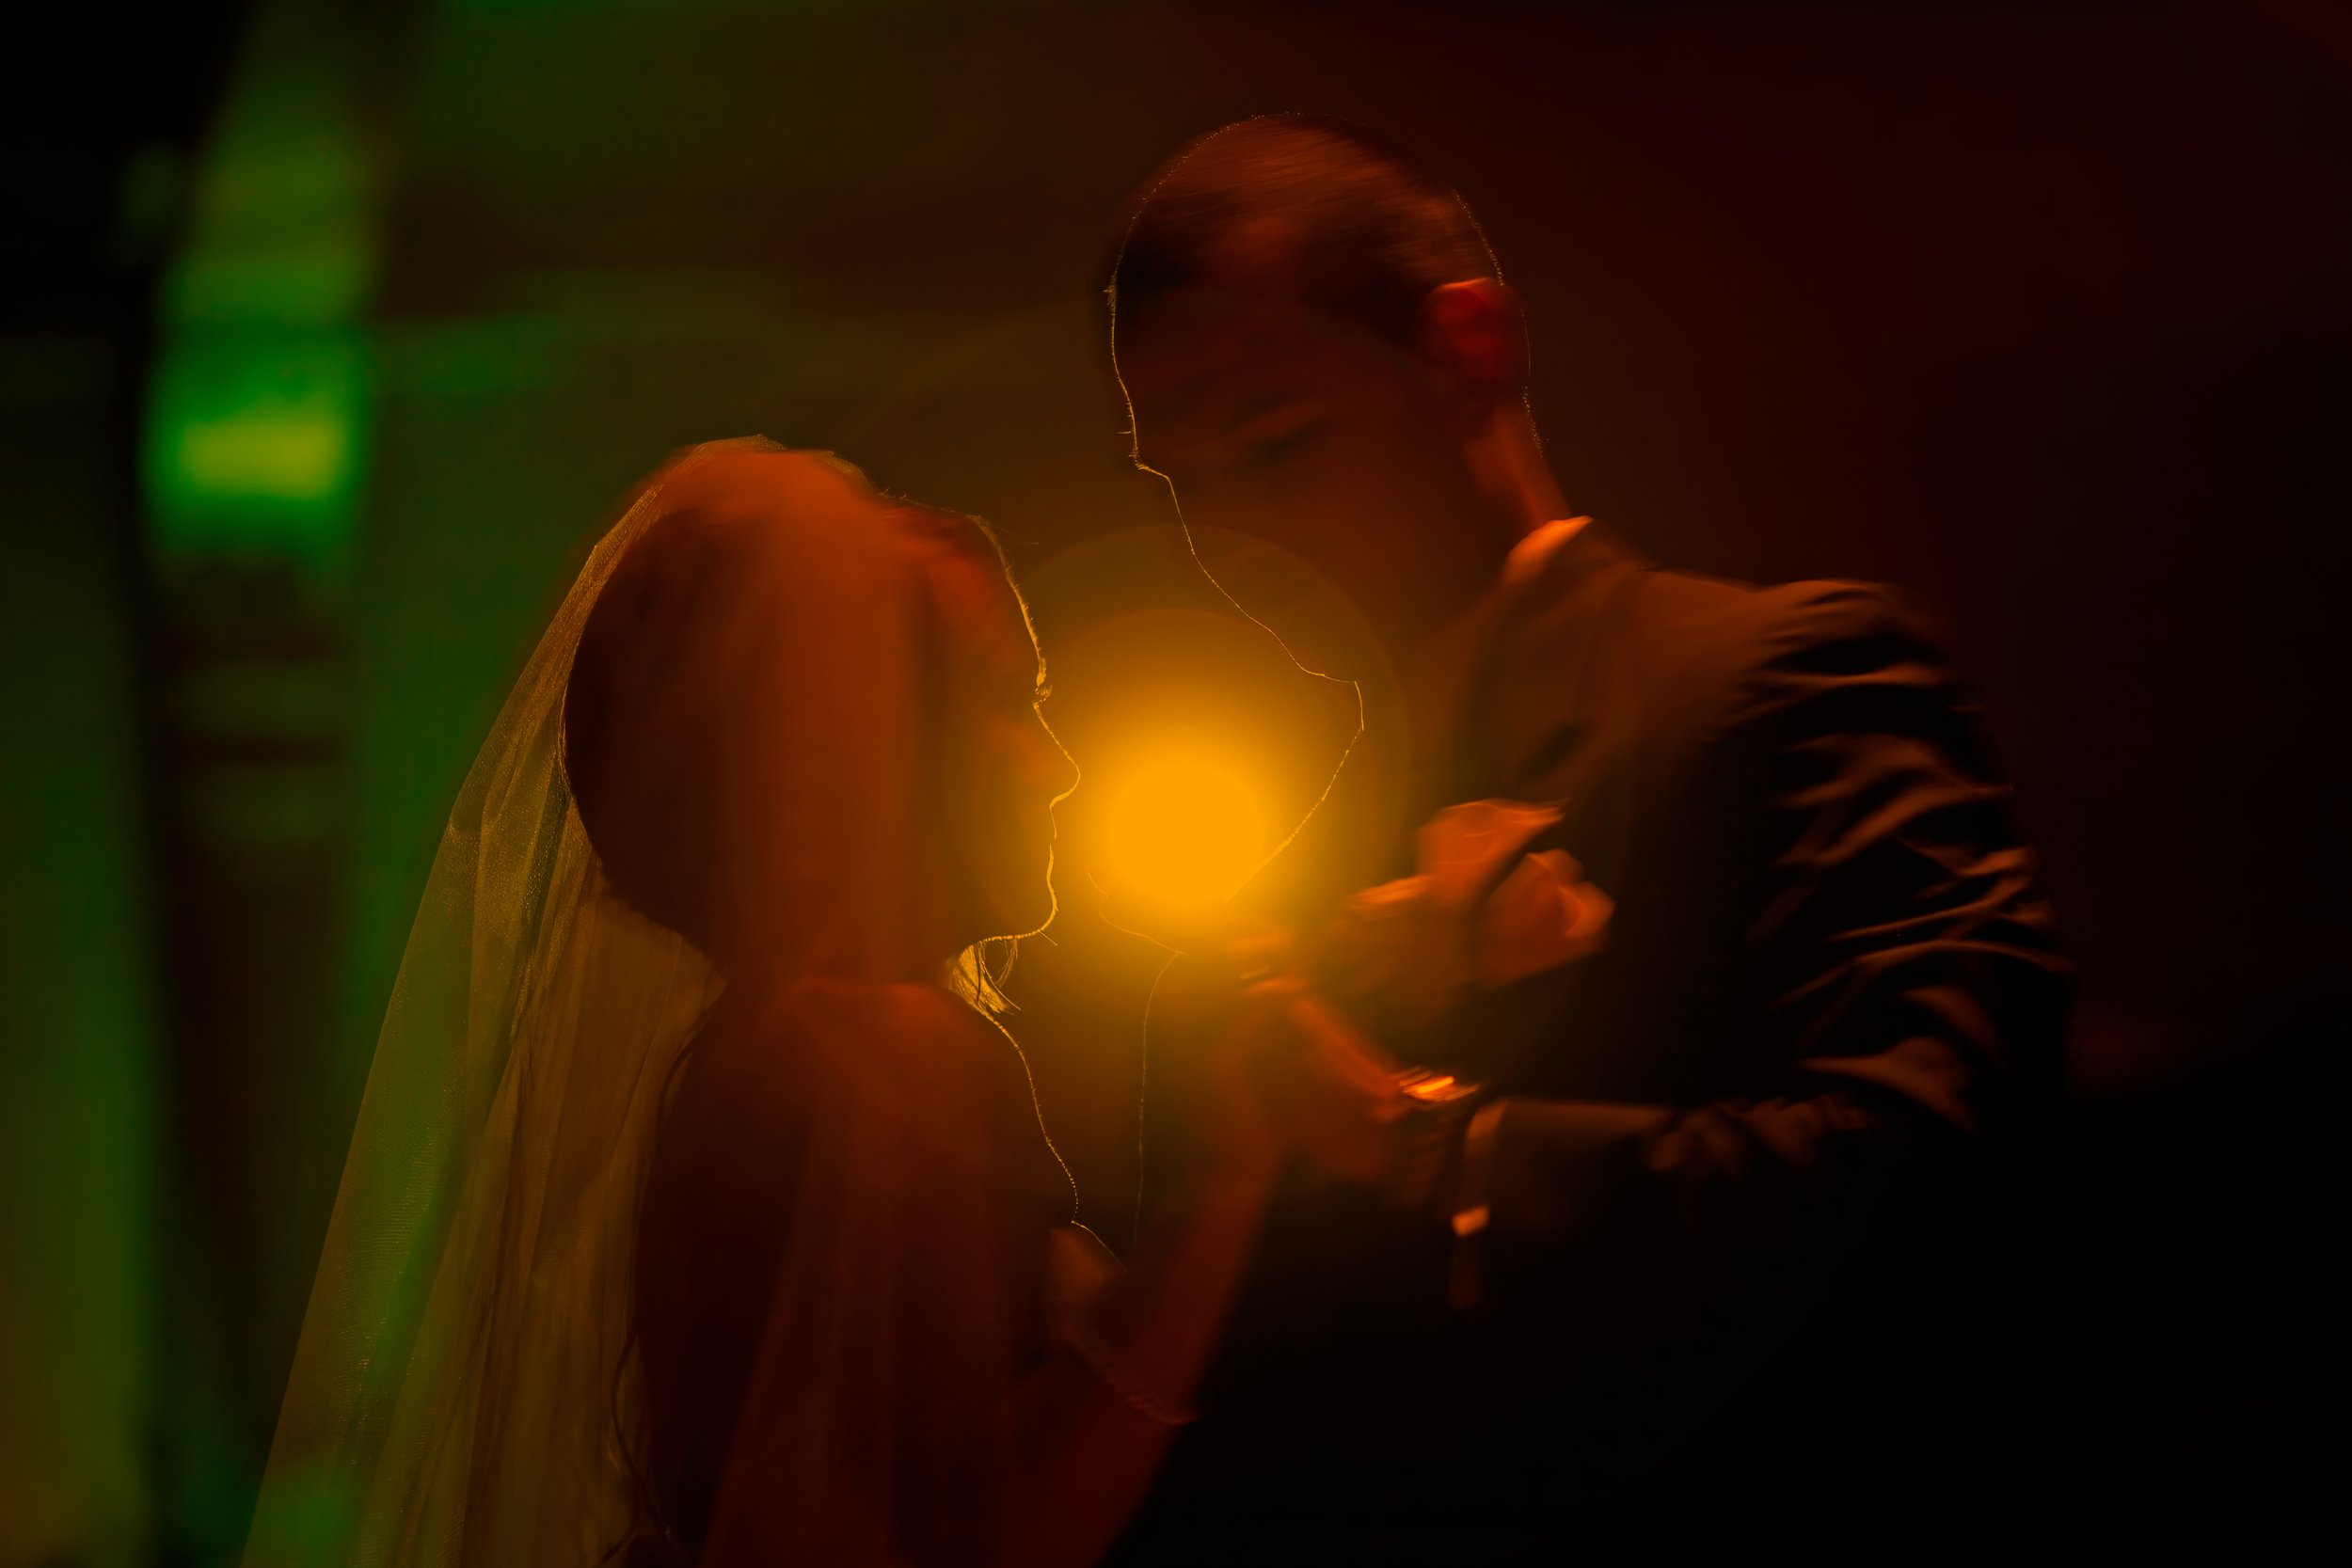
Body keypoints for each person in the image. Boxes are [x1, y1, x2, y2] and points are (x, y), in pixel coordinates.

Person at [1101, 118, 2074, 1558]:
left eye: (1278, 440)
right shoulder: (1287, 846)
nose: (1233, 531)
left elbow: (1929, 1172)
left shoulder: (1780, 676)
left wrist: (1425, 1141)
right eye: (1187, 482)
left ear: (1468, 346)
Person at [240, 438, 1371, 1567]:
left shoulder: (750, 1054)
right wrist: (1222, 1182)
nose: (1058, 762)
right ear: (867, 757)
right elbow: (1003, 1522)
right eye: (1010, 698)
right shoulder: (901, 1061)